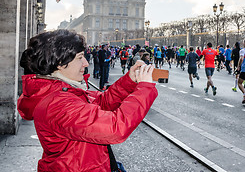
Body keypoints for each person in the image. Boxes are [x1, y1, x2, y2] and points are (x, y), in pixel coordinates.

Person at [18, 29, 158, 172]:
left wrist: (129, 81)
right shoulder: (58, 104)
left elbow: (101, 104)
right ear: (60, 62)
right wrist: (145, 88)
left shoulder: (62, 92)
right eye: (80, 57)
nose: (86, 63)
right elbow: (115, 128)